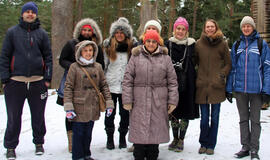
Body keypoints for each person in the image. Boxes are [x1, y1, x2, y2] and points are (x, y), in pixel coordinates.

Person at [0, 2, 52, 159]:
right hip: (15, 82)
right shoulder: (12, 33)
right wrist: (5, 78)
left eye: (33, 12)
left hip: (38, 82)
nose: (30, 14)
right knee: (14, 117)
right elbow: (4, 56)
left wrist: (47, 78)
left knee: (38, 115)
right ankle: (10, 146)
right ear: (22, 14)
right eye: (27, 12)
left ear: (36, 14)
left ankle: (38, 143)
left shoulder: (42, 34)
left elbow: (48, 57)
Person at [122, 30, 179, 160]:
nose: (151, 44)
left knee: (155, 138)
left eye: (154, 41)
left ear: (158, 42)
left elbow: (172, 82)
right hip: (139, 101)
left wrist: (172, 101)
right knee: (139, 139)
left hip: (158, 101)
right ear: (144, 42)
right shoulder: (135, 57)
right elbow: (127, 80)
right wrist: (127, 99)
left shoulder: (166, 58)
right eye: (148, 41)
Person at [56, 18, 105, 153]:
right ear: (80, 31)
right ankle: (71, 141)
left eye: (89, 30)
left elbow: (101, 65)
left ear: (93, 32)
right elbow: (62, 60)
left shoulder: (96, 47)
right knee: (71, 111)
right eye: (84, 30)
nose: (87, 32)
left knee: (87, 113)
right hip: (72, 80)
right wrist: (74, 67)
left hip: (90, 85)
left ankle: (84, 144)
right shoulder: (71, 44)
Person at [226, 16, 270, 160]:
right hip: (240, 90)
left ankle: (254, 149)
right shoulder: (237, 45)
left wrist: (267, 90)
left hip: (256, 90)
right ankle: (245, 146)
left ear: (253, 27)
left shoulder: (261, 44)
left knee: (255, 120)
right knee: (243, 119)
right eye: (244, 26)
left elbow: (267, 68)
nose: (246, 28)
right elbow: (232, 68)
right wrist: (229, 88)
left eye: (248, 26)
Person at [64, 40, 114, 160]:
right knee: (79, 133)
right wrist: (68, 107)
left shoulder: (98, 66)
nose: (88, 53)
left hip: (93, 105)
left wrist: (109, 103)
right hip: (79, 106)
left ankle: (86, 154)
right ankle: (78, 156)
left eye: (90, 50)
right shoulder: (74, 67)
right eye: (85, 50)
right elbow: (68, 87)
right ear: (80, 52)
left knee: (88, 133)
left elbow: (104, 86)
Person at [195, 19, 231, 155]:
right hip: (202, 87)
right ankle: (203, 143)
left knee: (215, 118)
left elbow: (228, 64)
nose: (210, 29)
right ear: (204, 29)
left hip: (217, 87)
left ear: (216, 28)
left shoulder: (223, 44)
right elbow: (194, 62)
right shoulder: (198, 44)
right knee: (204, 118)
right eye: (207, 27)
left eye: (212, 26)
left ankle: (211, 144)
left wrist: (221, 75)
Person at [165, 17, 199, 152]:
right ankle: (174, 137)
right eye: (178, 28)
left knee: (185, 111)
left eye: (183, 29)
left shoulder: (192, 45)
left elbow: (198, 61)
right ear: (174, 30)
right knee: (173, 111)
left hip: (188, 81)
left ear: (187, 31)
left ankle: (181, 139)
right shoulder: (168, 44)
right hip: (171, 83)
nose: (180, 31)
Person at [103, 17, 137, 150]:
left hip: (126, 88)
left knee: (125, 115)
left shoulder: (132, 48)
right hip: (110, 86)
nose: (119, 35)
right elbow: (103, 66)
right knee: (110, 114)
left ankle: (122, 137)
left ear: (126, 34)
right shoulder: (107, 47)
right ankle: (109, 138)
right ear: (113, 33)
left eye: (122, 32)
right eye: (117, 32)